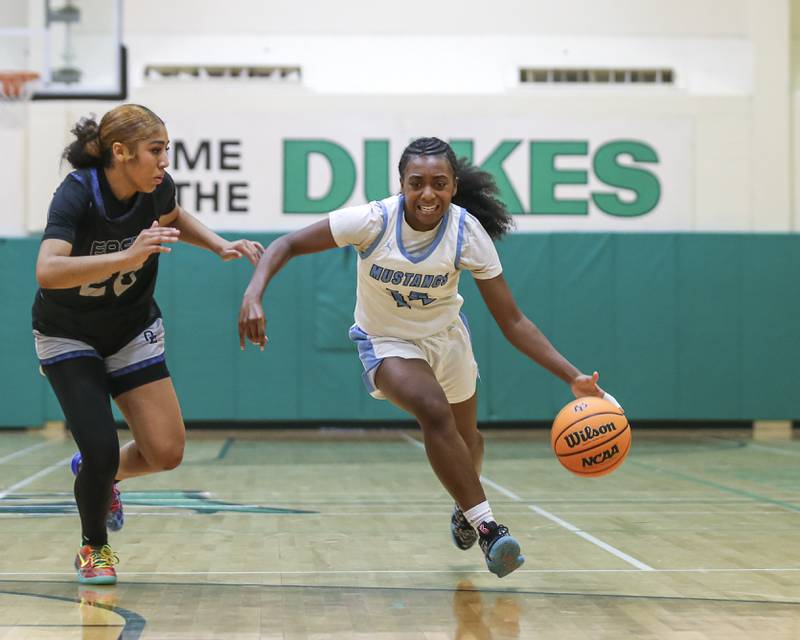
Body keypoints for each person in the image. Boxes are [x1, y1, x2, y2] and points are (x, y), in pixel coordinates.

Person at [238, 137, 613, 578]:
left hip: (447, 338)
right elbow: (287, 244)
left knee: (468, 440)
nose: (428, 193)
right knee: (434, 412)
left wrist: (572, 377)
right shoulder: (374, 221)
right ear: (401, 184)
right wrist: (253, 293)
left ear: (453, 186)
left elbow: (513, 321)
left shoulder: (466, 233)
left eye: (439, 183)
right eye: (417, 183)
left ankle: (464, 506)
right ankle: (489, 529)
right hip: (386, 341)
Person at [32, 104, 263, 585]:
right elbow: (47, 271)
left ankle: (106, 478)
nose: (164, 162)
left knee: (166, 452)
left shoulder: (158, 189)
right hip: (68, 332)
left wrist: (219, 244)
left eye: (166, 151)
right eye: (155, 151)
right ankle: (94, 547)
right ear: (120, 152)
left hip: (131, 328)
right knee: (101, 448)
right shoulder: (77, 194)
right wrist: (125, 256)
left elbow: (175, 217)